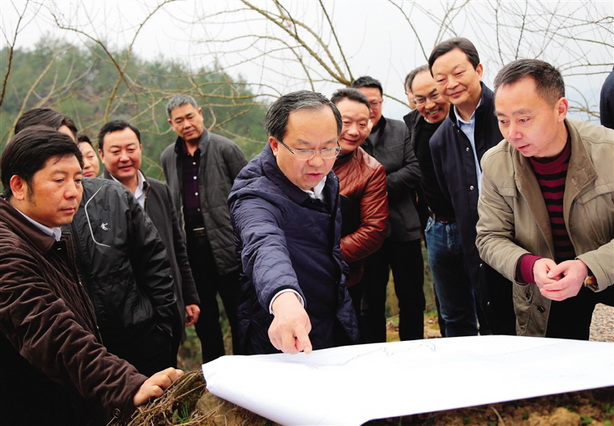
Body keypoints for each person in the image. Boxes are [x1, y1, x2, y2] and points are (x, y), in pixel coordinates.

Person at [0, 126, 183, 425]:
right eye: (58, 180)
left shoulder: (51, 235)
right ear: (19, 186)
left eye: (77, 179)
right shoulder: (7, 250)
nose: (73, 191)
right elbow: (50, 331)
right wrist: (124, 384)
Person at [476, 59, 614, 339]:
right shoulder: (496, 163)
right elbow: (489, 237)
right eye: (503, 120)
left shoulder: (609, 152)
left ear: (560, 108)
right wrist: (530, 265)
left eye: (524, 119)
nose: (512, 133)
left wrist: (588, 267)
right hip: (547, 290)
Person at [229, 90, 359, 355]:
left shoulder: (323, 176)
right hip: (283, 333)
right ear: (275, 145)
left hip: (335, 313)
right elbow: (263, 244)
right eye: (303, 149)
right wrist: (284, 299)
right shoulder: (255, 194)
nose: (318, 161)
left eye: (328, 147)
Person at [428, 37, 516, 335]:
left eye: (458, 73)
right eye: (441, 79)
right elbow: (453, 201)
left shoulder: (509, 119)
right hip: (478, 246)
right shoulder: (439, 140)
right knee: (494, 327)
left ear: (478, 69)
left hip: (526, 243)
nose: (450, 83)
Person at [98, 119, 201, 365]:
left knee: (168, 374)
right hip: (123, 315)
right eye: (115, 151)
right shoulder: (94, 200)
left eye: (131, 149)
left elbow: (178, 247)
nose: (124, 157)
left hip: (167, 303)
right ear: (101, 155)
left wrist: (189, 296)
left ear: (141, 149)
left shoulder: (161, 191)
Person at [161, 94, 247, 361]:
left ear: (200, 113)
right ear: (171, 124)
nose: (186, 124)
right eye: (179, 120)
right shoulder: (169, 156)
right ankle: (215, 379)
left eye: (190, 117)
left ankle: (249, 373)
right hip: (191, 252)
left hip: (228, 247)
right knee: (205, 321)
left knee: (241, 316)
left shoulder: (225, 149)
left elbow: (249, 195)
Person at [351, 76, 424, 341]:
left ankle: (414, 352)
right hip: (368, 234)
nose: (370, 108)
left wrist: (373, 186)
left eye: (374, 102)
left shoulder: (400, 129)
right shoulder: (348, 135)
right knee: (371, 302)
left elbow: (414, 170)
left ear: (381, 101)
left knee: (413, 299)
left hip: (404, 228)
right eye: (363, 102)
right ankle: (375, 355)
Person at [405, 65, 476, 337]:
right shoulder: (412, 128)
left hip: (474, 226)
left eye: (435, 95)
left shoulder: (466, 125)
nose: (430, 105)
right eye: (420, 99)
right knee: (453, 315)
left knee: (487, 305)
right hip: (436, 229)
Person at [330, 88, 389, 319]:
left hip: (344, 276)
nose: (354, 131)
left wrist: (325, 254)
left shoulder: (370, 170)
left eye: (363, 123)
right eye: (346, 122)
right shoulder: (299, 154)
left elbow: (374, 231)